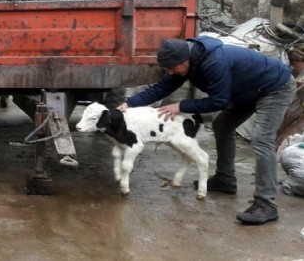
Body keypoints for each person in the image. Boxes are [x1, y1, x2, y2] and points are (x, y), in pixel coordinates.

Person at [118, 36, 296, 225]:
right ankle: (225, 179)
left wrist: (182, 106)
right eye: (167, 69)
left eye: (172, 68)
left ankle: (266, 204)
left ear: (185, 60)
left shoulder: (214, 62)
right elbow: (161, 88)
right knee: (222, 126)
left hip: (275, 88)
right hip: (248, 90)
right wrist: (129, 104)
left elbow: (220, 101)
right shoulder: (185, 61)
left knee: (262, 139)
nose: (170, 72)